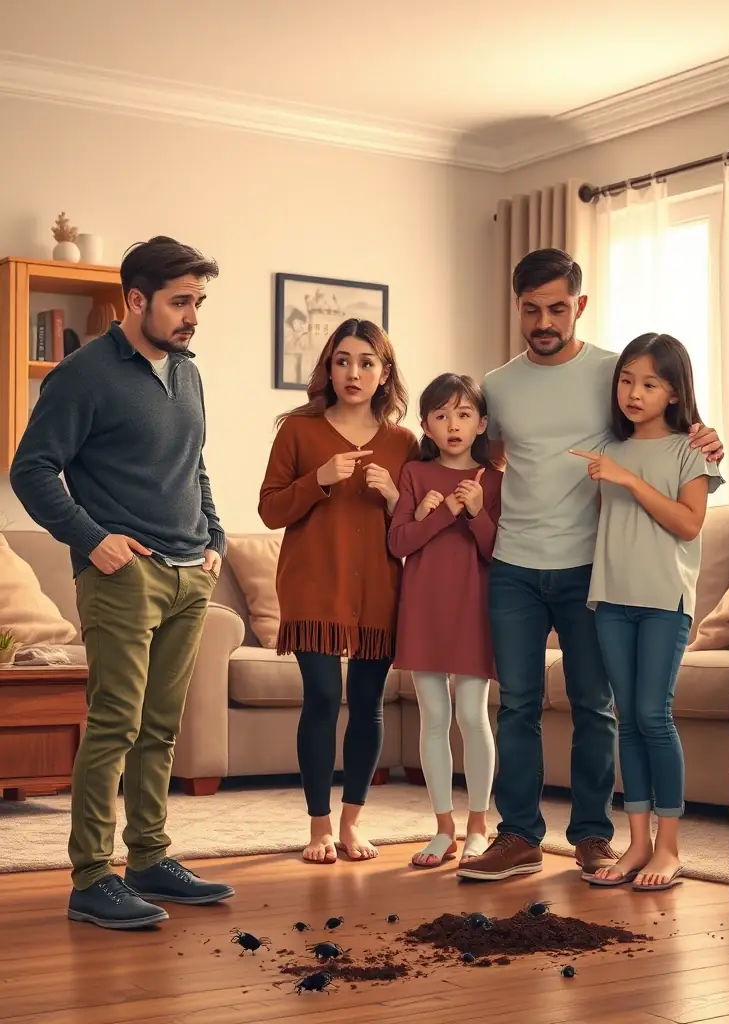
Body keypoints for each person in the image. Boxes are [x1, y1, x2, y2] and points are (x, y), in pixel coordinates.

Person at [456, 248, 724, 883]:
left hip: (591, 568)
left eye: (556, 308)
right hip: (515, 564)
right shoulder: (497, 384)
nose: (543, 320)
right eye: (530, 309)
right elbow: (488, 458)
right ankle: (518, 835)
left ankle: (594, 838)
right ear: (516, 308)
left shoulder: (616, 375)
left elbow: (663, 424)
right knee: (517, 703)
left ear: (579, 305)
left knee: (594, 706)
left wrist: (707, 438)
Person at [10, 236, 234, 928]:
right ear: (135, 300)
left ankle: (149, 858)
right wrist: (93, 539)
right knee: (114, 723)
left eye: (198, 301)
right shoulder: (82, 375)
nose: (193, 315)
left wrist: (217, 538)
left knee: (160, 729)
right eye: (180, 301)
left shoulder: (188, 372)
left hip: (188, 571)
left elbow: (194, 467)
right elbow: (32, 470)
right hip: (124, 578)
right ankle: (89, 878)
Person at [258, 318, 419, 865]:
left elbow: (417, 526)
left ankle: (352, 822)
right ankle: (318, 827)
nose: (354, 372)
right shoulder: (298, 431)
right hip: (313, 588)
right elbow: (270, 509)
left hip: (379, 589)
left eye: (367, 362)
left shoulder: (404, 443)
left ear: (384, 373)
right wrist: (319, 479)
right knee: (324, 697)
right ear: (329, 366)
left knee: (369, 703)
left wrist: (395, 496)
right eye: (343, 360)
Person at [572, 333, 722, 890]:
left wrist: (629, 480)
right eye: (626, 380)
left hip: (665, 602)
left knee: (654, 716)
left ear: (675, 393)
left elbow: (689, 523)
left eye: (650, 383)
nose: (634, 392)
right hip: (611, 598)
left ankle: (670, 847)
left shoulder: (692, 449)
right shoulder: (607, 449)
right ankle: (636, 843)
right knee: (627, 720)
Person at [388, 373, 502, 869]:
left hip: (474, 606)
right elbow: (399, 544)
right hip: (424, 607)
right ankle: (443, 828)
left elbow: (497, 550)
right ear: (426, 425)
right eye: (440, 415)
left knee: (472, 715)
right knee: (433, 716)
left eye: (462, 414)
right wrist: (439, 513)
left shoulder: (496, 480)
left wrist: (475, 511)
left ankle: (479, 825)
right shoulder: (413, 474)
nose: (452, 425)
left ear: (481, 422)